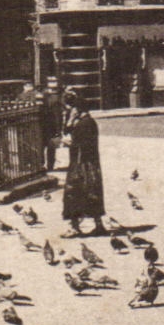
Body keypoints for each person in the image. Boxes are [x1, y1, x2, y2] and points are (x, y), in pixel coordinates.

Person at [61, 92, 107, 236]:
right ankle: (98, 224)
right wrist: (70, 122)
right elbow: (67, 130)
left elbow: (82, 143)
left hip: (82, 164)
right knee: (91, 192)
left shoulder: (84, 123)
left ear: (77, 109)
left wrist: (69, 142)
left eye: (71, 109)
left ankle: (75, 227)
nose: (69, 111)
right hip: (87, 164)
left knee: (74, 192)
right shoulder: (86, 122)